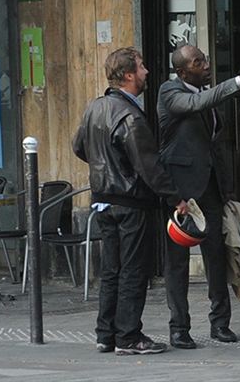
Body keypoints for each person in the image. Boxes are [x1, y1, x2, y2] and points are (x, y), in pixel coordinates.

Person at [72, 47, 187, 356]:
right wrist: (175, 198)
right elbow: (148, 165)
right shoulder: (130, 115)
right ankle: (128, 336)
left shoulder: (95, 107)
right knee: (134, 270)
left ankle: (105, 334)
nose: (147, 71)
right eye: (142, 66)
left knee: (111, 270)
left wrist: (104, 165)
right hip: (131, 202)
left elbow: (79, 147)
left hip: (103, 201)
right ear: (128, 75)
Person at [157, 44, 240, 350]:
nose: (205, 64)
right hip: (180, 192)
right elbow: (195, 103)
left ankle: (220, 323)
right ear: (182, 71)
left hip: (210, 189)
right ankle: (179, 328)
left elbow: (213, 143)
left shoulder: (205, 94)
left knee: (217, 256)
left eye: (204, 59)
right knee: (178, 263)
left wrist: (226, 188)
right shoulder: (170, 92)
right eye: (198, 62)